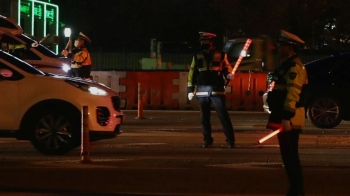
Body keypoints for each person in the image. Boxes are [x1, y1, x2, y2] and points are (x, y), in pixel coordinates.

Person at [266, 30, 308, 196]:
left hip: (289, 118)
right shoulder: (287, 65)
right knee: (288, 158)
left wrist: (286, 118)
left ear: (290, 48)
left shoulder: (293, 67)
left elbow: (293, 93)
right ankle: (295, 190)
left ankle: (296, 191)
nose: (279, 47)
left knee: (290, 158)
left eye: (282, 45)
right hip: (284, 116)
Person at [187, 31, 235, 148]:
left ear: (211, 42)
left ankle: (230, 140)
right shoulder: (197, 55)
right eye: (202, 41)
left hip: (216, 90)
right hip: (202, 90)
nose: (203, 43)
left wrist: (228, 74)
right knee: (204, 118)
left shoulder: (221, 55)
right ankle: (207, 140)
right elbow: (192, 73)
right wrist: (190, 89)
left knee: (223, 116)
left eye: (205, 41)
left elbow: (227, 68)